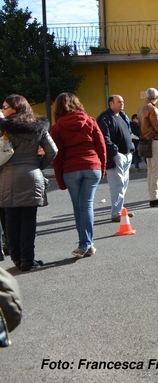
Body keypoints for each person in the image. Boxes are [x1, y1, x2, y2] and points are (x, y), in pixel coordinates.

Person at [0, 95, 57, 271]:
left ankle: (16, 258)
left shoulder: (4, 129)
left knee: (11, 219)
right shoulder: (38, 127)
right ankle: (27, 260)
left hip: (7, 177)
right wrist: (37, 165)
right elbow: (52, 151)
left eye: (5, 107)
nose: (2, 109)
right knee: (29, 220)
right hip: (32, 176)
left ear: (16, 109)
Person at [51, 93, 106, 259]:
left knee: (78, 207)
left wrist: (60, 180)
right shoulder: (90, 120)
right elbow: (101, 146)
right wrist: (101, 169)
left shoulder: (58, 127)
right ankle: (87, 244)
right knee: (87, 205)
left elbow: (57, 156)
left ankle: (85, 244)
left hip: (71, 168)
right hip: (91, 165)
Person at [96, 95, 135, 223]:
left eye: (123, 101)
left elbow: (128, 133)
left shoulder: (123, 116)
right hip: (115, 157)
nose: (122, 104)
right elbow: (103, 138)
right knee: (117, 185)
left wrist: (131, 148)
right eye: (119, 102)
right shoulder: (105, 118)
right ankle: (116, 213)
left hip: (127, 155)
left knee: (123, 185)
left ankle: (120, 209)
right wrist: (115, 151)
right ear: (111, 103)